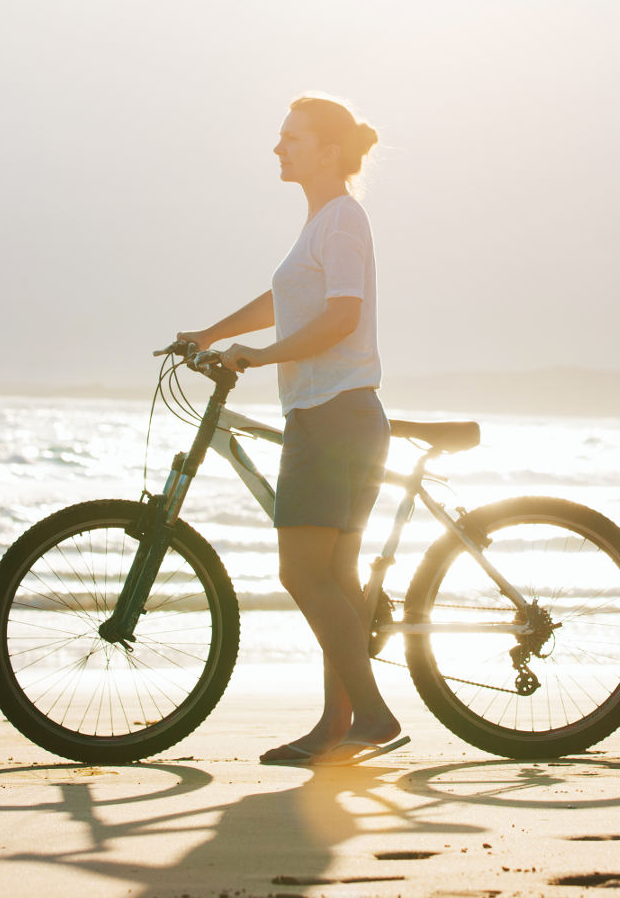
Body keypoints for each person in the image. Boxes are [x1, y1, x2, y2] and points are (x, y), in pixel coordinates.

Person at [175, 93, 407, 766]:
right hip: (333, 415)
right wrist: (213, 333)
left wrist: (260, 355)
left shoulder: (341, 220)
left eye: (292, 139)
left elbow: (341, 317)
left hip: (334, 417)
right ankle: (337, 728)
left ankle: (374, 714)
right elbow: (287, 299)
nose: (279, 149)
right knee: (334, 577)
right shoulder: (321, 223)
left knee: (302, 573)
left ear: (329, 151)